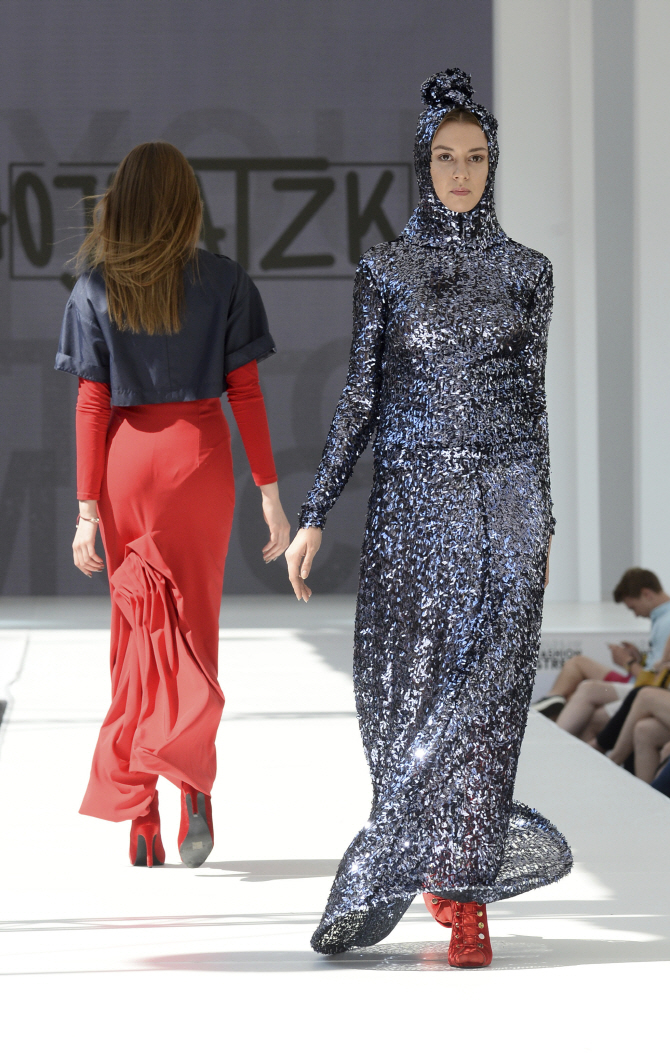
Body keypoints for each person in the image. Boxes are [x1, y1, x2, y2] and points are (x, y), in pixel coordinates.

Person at [285, 69, 572, 968]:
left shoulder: (529, 273)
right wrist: (314, 511)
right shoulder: (386, 270)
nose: (461, 173)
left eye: (476, 157)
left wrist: (545, 521)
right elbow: (360, 399)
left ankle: (469, 895)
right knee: (407, 706)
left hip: (506, 509)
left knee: (489, 708)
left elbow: (532, 407)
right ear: (423, 163)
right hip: (412, 513)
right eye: (446, 157)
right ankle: (423, 865)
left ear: (494, 163)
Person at [55, 142, 290, 868]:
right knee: (194, 629)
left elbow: (91, 404)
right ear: (188, 203)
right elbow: (246, 393)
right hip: (200, 459)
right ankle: (194, 786)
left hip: (127, 464)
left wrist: (86, 511)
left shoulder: (94, 288)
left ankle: (141, 816)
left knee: (135, 631)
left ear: (119, 203)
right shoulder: (224, 279)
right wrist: (271, 494)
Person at [534, 568, 670, 739]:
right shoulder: (661, 618)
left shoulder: (666, 621)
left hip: (641, 689)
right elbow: (657, 670)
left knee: (584, 692)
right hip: (638, 685)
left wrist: (628, 663)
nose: (635, 615)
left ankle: (553, 729)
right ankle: (552, 702)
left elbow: (657, 680)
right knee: (578, 673)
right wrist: (639, 659)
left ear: (646, 594)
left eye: (633, 608)